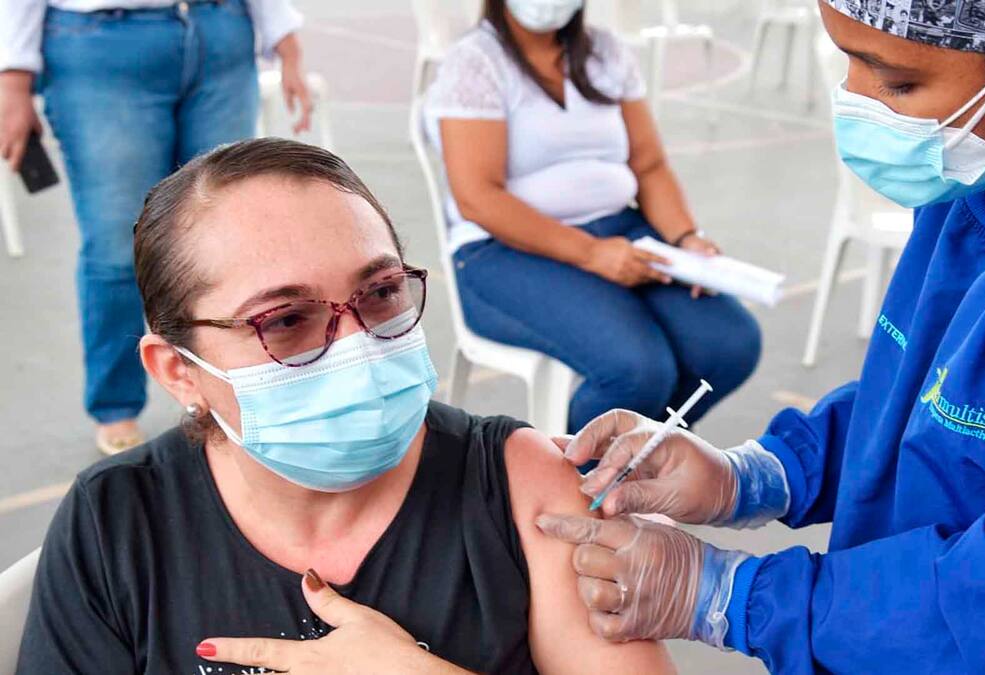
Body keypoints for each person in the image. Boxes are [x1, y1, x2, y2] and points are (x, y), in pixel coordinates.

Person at [528, 0, 985, 672]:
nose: (855, 101)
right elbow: (938, 386)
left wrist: (730, 595)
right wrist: (762, 474)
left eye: (898, 82)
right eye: (846, 59)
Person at [16, 139, 674, 674]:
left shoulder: (523, 485)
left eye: (381, 292)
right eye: (284, 320)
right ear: (179, 370)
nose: (358, 347)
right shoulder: (118, 523)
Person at [424, 0, 762, 433]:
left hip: (620, 230)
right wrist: (591, 253)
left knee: (730, 345)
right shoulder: (475, 63)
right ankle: (574, 472)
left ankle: (639, 458)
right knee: (637, 370)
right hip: (503, 250)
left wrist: (686, 238)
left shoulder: (607, 52)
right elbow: (479, 198)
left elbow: (649, 166)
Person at [0, 0, 311, 455]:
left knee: (227, 234)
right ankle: (116, 404)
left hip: (221, 31)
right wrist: (13, 75)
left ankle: (232, 389)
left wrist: (285, 38)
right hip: (102, 45)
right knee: (117, 248)